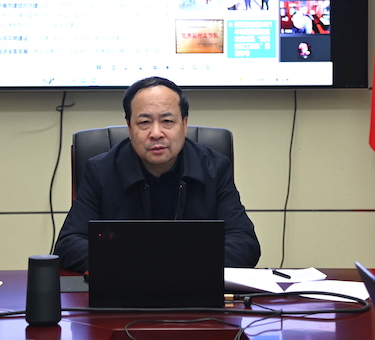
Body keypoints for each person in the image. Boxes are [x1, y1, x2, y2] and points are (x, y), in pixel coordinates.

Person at [54, 77, 261, 273]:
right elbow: (69, 244)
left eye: (167, 121)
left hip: (193, 288)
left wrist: (173, 266)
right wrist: (144, 265)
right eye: (144, 122)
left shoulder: (214, 168)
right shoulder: (101, 171)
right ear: (129, 127)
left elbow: (244, 243)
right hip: (125, 289)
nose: (156, 133)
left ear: (184, 124)